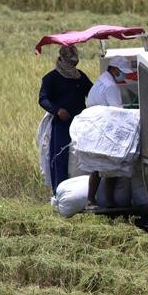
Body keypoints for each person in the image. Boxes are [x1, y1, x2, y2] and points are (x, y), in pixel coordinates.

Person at [39, 45, 93, 195]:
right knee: (59, 157)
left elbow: (92, 92)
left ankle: (80, 193)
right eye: (70, 63)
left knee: (81, 156)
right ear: (61, 59)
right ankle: (59, 193)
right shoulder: (51, 78)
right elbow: (43, 99)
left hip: (80, 123)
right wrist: (57, 110)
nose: (72, 66)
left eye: (74, 63)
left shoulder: (80, 77)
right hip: (61, 123)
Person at [85, 56, 134, 208]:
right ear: (113, 69)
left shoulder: (101, 81)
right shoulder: (111, 86)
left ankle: (92, 199)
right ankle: (109, 201)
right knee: (111, 166)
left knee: (98, 167)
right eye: (122, 72)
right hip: (105, 130)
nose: (124, 75)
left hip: (96, 127)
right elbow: (117, 112)